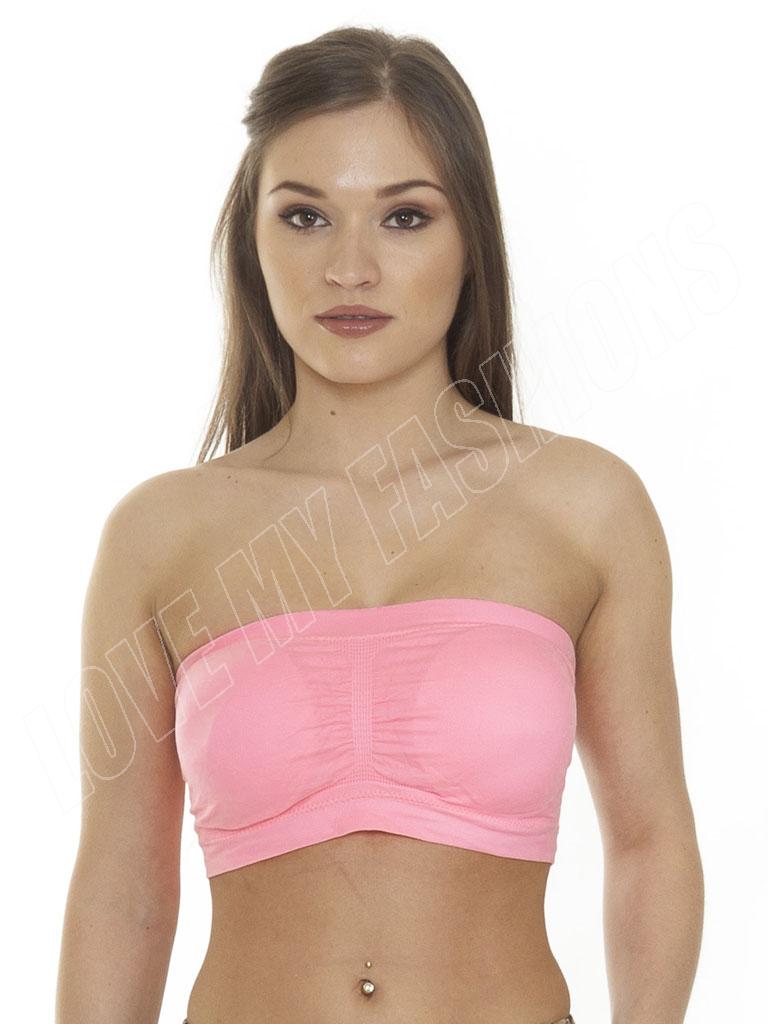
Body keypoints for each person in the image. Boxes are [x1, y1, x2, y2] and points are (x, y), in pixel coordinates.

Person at [55, 25, 704, 1024]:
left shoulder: (585, 507)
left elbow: (652, 841)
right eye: (305, 216)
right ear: (252, 240)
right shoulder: (160, 534)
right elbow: (124, 891)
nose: (349, 268)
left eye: (404, 217)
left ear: (469, 237)